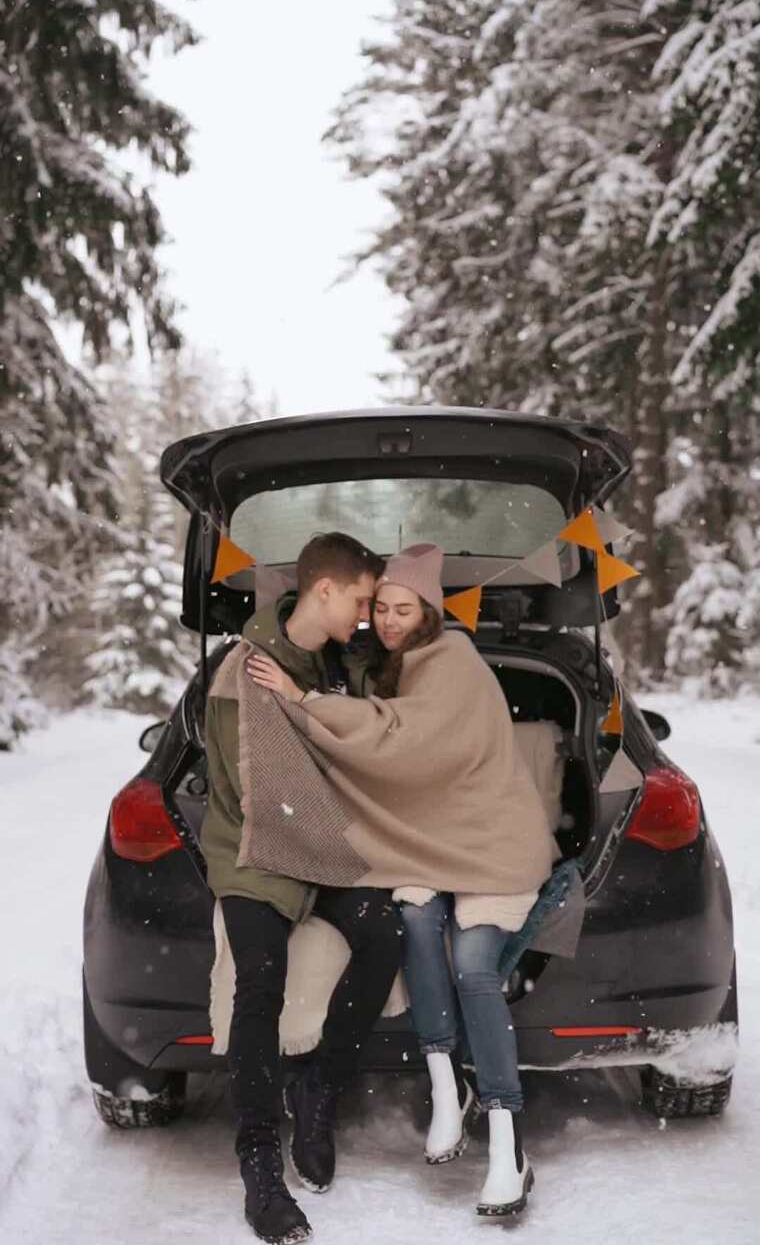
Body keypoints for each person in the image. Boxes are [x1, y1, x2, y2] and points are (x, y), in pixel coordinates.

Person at [249, 543, 561, 1221]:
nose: (388, 620)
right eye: (381, 608)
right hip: (435, 843)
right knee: (415, 917)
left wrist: (305, 700)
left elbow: (402, 741)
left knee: (474, 966)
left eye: (402, 609)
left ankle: (508, 1142)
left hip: (493, 842)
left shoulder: (453, 658)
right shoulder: (396, 668)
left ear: (430, 612)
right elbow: (401, 763)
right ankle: (447, 1084)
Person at [203, 531, 402, 1245]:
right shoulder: (242, 673)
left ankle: (319, 1085)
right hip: (254, 851)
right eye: (362, 600)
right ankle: (260, 1167)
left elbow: (379, 745)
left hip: (323, 851)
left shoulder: (344, 662)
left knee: (387, 930)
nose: (367, 615)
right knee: (261, 977)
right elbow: (269, 799)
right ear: (324, 590)